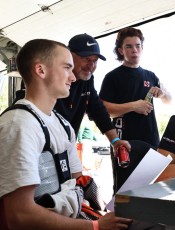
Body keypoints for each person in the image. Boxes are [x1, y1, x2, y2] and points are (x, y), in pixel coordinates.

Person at [0, 39, 132, 229]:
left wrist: (99, 215)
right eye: (67, 68)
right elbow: (19, 215)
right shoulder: (19, 126)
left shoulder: (63, 126)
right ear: (41, 70)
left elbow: (77, 184)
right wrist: (95, 226)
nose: (72, 77)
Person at [14, 33, 131, 153]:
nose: (91, 65)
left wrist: (115, 140)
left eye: (95, 60)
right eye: (86, 59)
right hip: (43, 150)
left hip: (65, 150)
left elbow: (98, 110)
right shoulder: (19, 119)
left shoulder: (87, 80)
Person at [99, 27, 171, 148]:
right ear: (120, 50)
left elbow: (169, 100)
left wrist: (162, 93)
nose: (134, 50)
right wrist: (134, 106)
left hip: (151, 141)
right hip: (124, 143)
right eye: (129, 47)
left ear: (142, 48)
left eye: (138, 46)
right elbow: (102, 111)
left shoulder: (150, 75)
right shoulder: (112, 77)